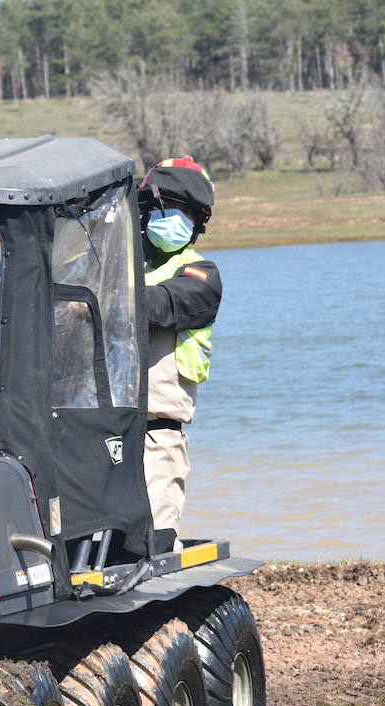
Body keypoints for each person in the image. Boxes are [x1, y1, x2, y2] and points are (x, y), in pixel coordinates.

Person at [139, 156, 223, 554]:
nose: (177, 219)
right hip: (91, 431)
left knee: (155, 537)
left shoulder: (200, 273)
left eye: (188, 213)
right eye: (169, 207)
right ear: (145, 210)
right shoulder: (109, 267)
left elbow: (164, 304)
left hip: (157, 434)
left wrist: (98, 299)